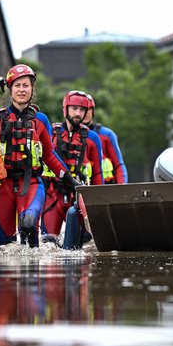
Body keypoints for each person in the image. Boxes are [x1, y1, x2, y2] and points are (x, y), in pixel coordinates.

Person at [0, 64, 77, 248]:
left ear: (32, 89)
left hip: (31, 184)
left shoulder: (41, 120)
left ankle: (32, 272)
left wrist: (69, 179)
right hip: (0, 188)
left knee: (29, 222)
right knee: (5, 247)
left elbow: (49, 155)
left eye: (26, 85)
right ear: (10, 89)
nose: (21, 90)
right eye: (17, 86)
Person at [40, 90, 104, 244]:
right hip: (52, 196)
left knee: (77, 247)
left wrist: (98, 205)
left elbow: (97, 175)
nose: (78, 113)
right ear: (65, 110)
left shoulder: (93, 139)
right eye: (74, 108)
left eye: (82, 110)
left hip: (77, 198)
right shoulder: (50, 133)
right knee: (48, 244)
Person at [83, 94, 128, 184]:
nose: (86, 113)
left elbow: (119, 165)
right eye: (83, 109)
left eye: (90, 109)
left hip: (105, 191)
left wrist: (122, 190)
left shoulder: (107, 135)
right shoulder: (68, 137)